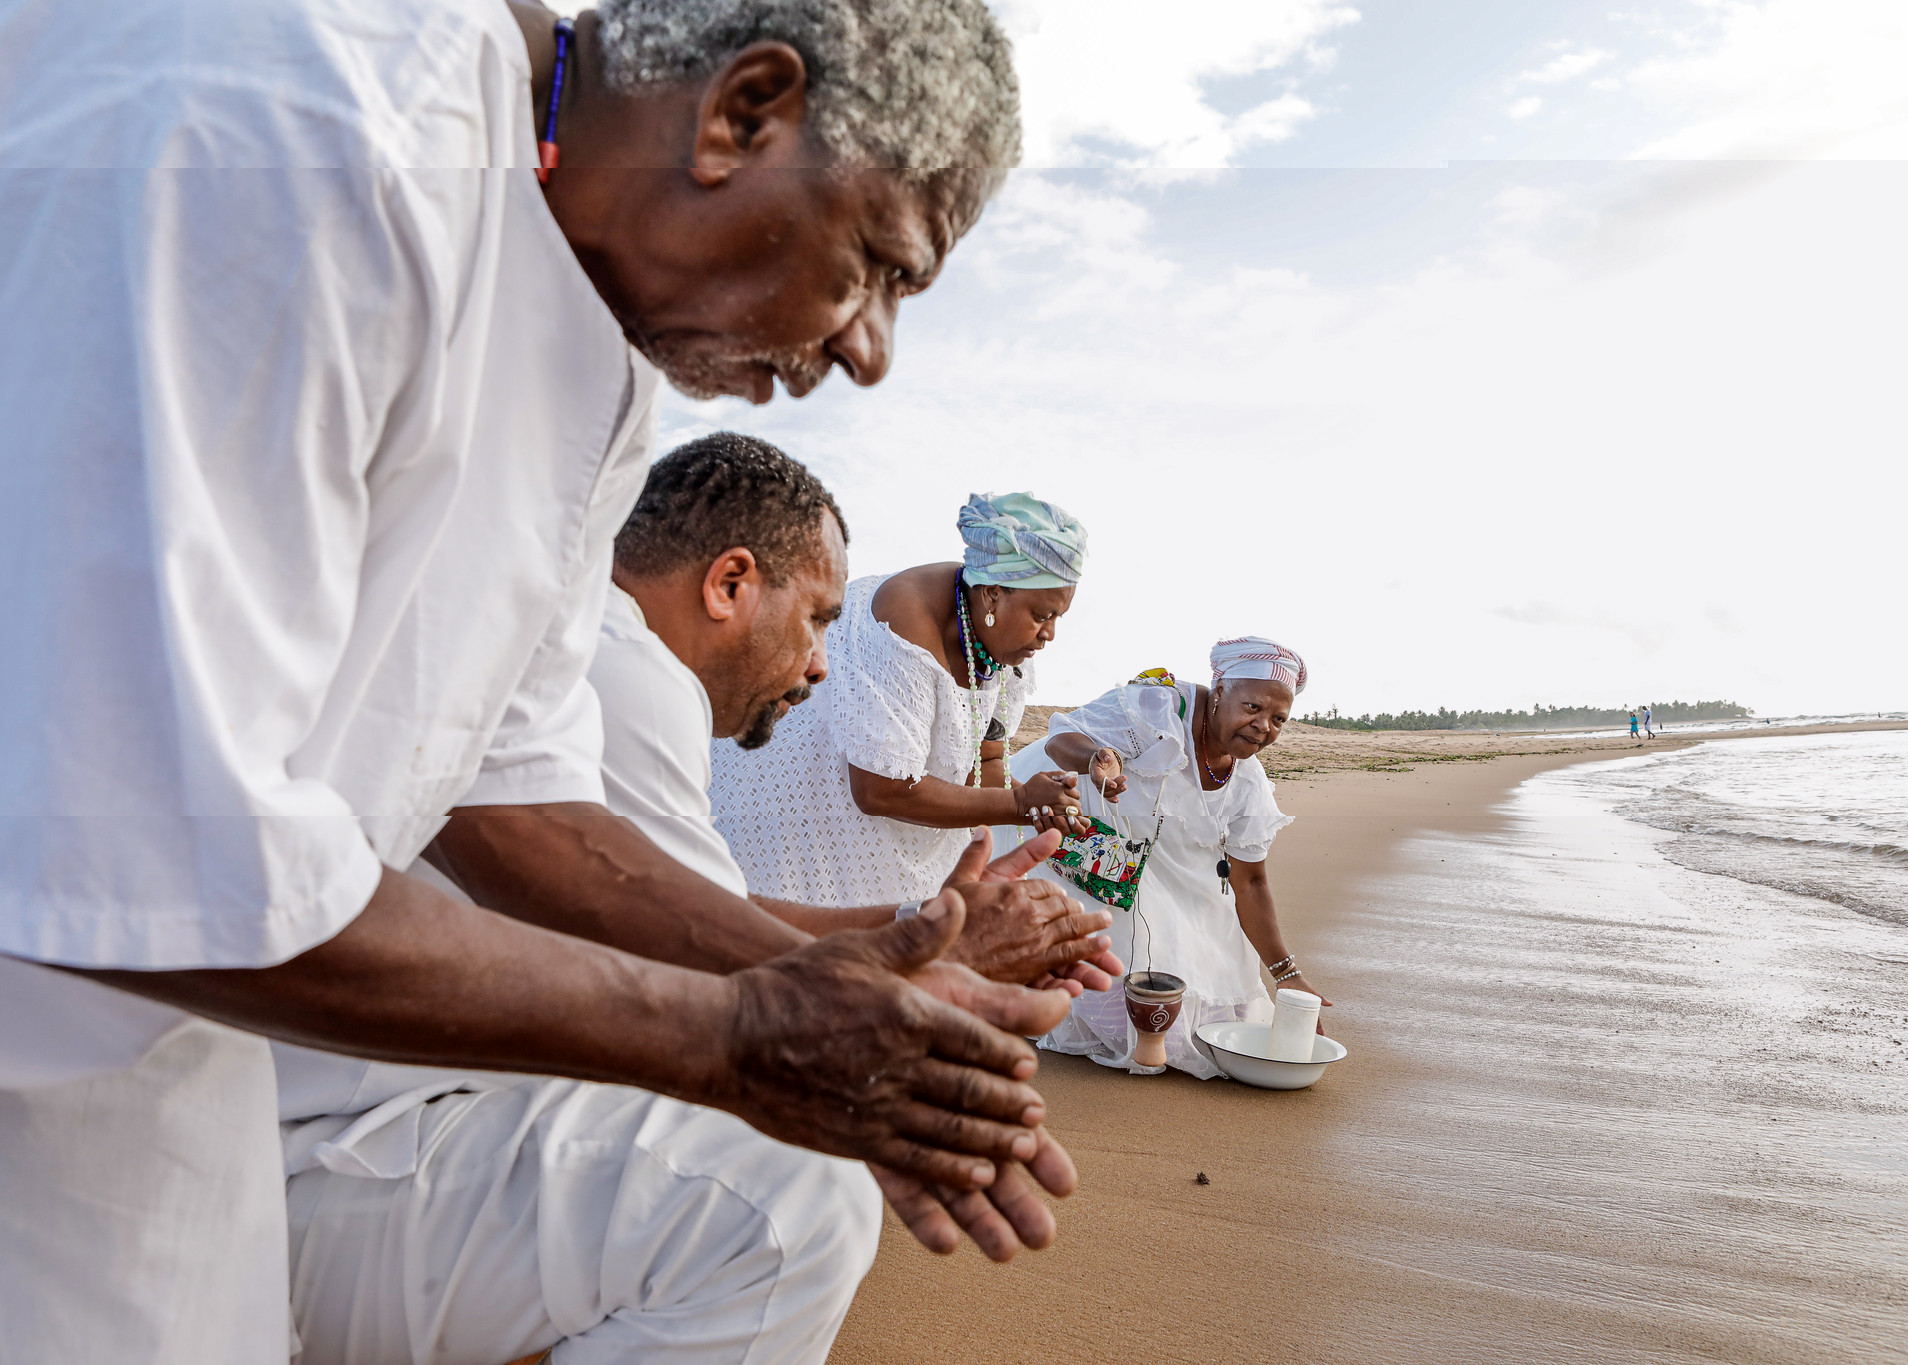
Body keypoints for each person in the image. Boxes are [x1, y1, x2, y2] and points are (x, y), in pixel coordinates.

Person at [0, 2, 1049, 1361]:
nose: (868, 349)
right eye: (879, 267)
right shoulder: (308, 120)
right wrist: (732, 1039)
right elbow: (145, 839)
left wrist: (835, 986)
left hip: (153, 1046)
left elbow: (512, 796)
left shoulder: (593, 329)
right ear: (745, 112)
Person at [284, 436, 1117, 1363]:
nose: (819, 665)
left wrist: (920, 933)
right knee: (786, 1204)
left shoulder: (575, 638)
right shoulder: (625, 671)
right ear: (729, 584)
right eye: (814, 621)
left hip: (361, 1127)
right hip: (326, 1159)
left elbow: (697, 915)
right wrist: (929, 965)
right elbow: (698, 947)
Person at [712, 491, 1093, 908]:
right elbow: (880, 790)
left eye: (1059, 618)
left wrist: (1040, 802)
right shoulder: (901, 623)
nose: (1050, 634)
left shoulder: (1000, 647)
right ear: (993, 594)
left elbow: (983, 764)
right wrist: (1019, 803)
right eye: (1042, 615)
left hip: (908, 840)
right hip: (808, 816)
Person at [1013, 639, 1324, 1078]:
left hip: (1145, 852)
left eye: (1278, 719)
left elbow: (1250, 883)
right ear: (1219, 690)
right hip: (1069, 826)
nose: (1263, 726)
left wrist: (1285, 972)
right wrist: (1097, 759)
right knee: (1121, 1000)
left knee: (1217, 986)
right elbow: (1059, 738)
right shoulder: (1157, 707)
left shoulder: (1248, 784)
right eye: (1252, 707)